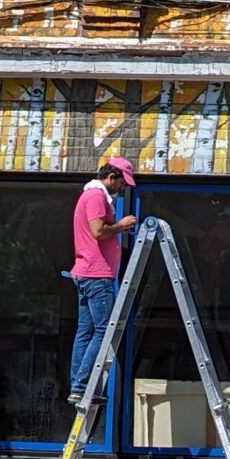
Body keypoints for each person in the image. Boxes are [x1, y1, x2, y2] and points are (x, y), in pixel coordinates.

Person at [68, 157, 137, 410]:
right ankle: (84, 384)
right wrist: (121, 225)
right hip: (97, 274)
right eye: (121, 182)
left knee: (85, 332)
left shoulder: (88, 195)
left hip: (85, 272)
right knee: (103, 330)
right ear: (111, 176)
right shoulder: (97, 196)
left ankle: (78, 387)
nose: (122, 188)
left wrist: (117, 229)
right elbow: (98, 231)